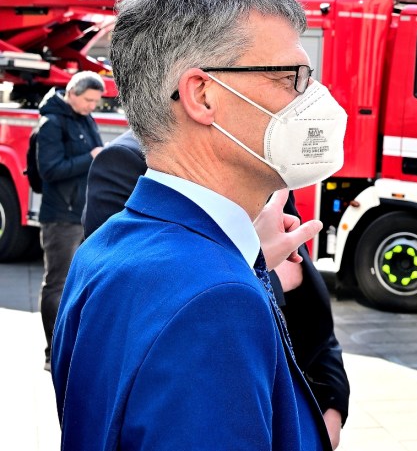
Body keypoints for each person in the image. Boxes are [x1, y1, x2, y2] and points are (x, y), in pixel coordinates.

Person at [52, 0, 347, 450]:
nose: (311, 99)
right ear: (203, 95)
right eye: (290, 78)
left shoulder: (105, 249)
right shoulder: (214, 299)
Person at [81, 129, 350, 447]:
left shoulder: (261, 165)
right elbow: (134, 313)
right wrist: (253, 261)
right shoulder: (126, 162)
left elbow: (316, 317)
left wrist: (332, 407)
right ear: (200, 101)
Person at [35, 70, 105, 372]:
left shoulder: (84, 118)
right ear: (72, 93)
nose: (92, 106)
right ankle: (53, 353)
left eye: (95, 101)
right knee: (58, 284)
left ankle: (73, 350)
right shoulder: (52, 123)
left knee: (82, 284)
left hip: (83, 213)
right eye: (88, 100)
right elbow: (49, 169)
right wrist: (90, 157)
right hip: (61, 217)